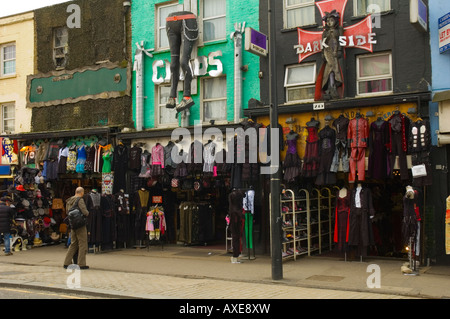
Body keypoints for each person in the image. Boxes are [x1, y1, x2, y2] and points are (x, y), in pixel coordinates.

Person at [63, 187, 89, 269]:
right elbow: (85, 212)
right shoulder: (80, 200)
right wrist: (87, 213)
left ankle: (67, 263)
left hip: (72, 225)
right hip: (80, 225)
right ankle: (81, 263)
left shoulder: (69, 201)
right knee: (82, 244)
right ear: (81, 193)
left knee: (73, 244)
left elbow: (68, 212)